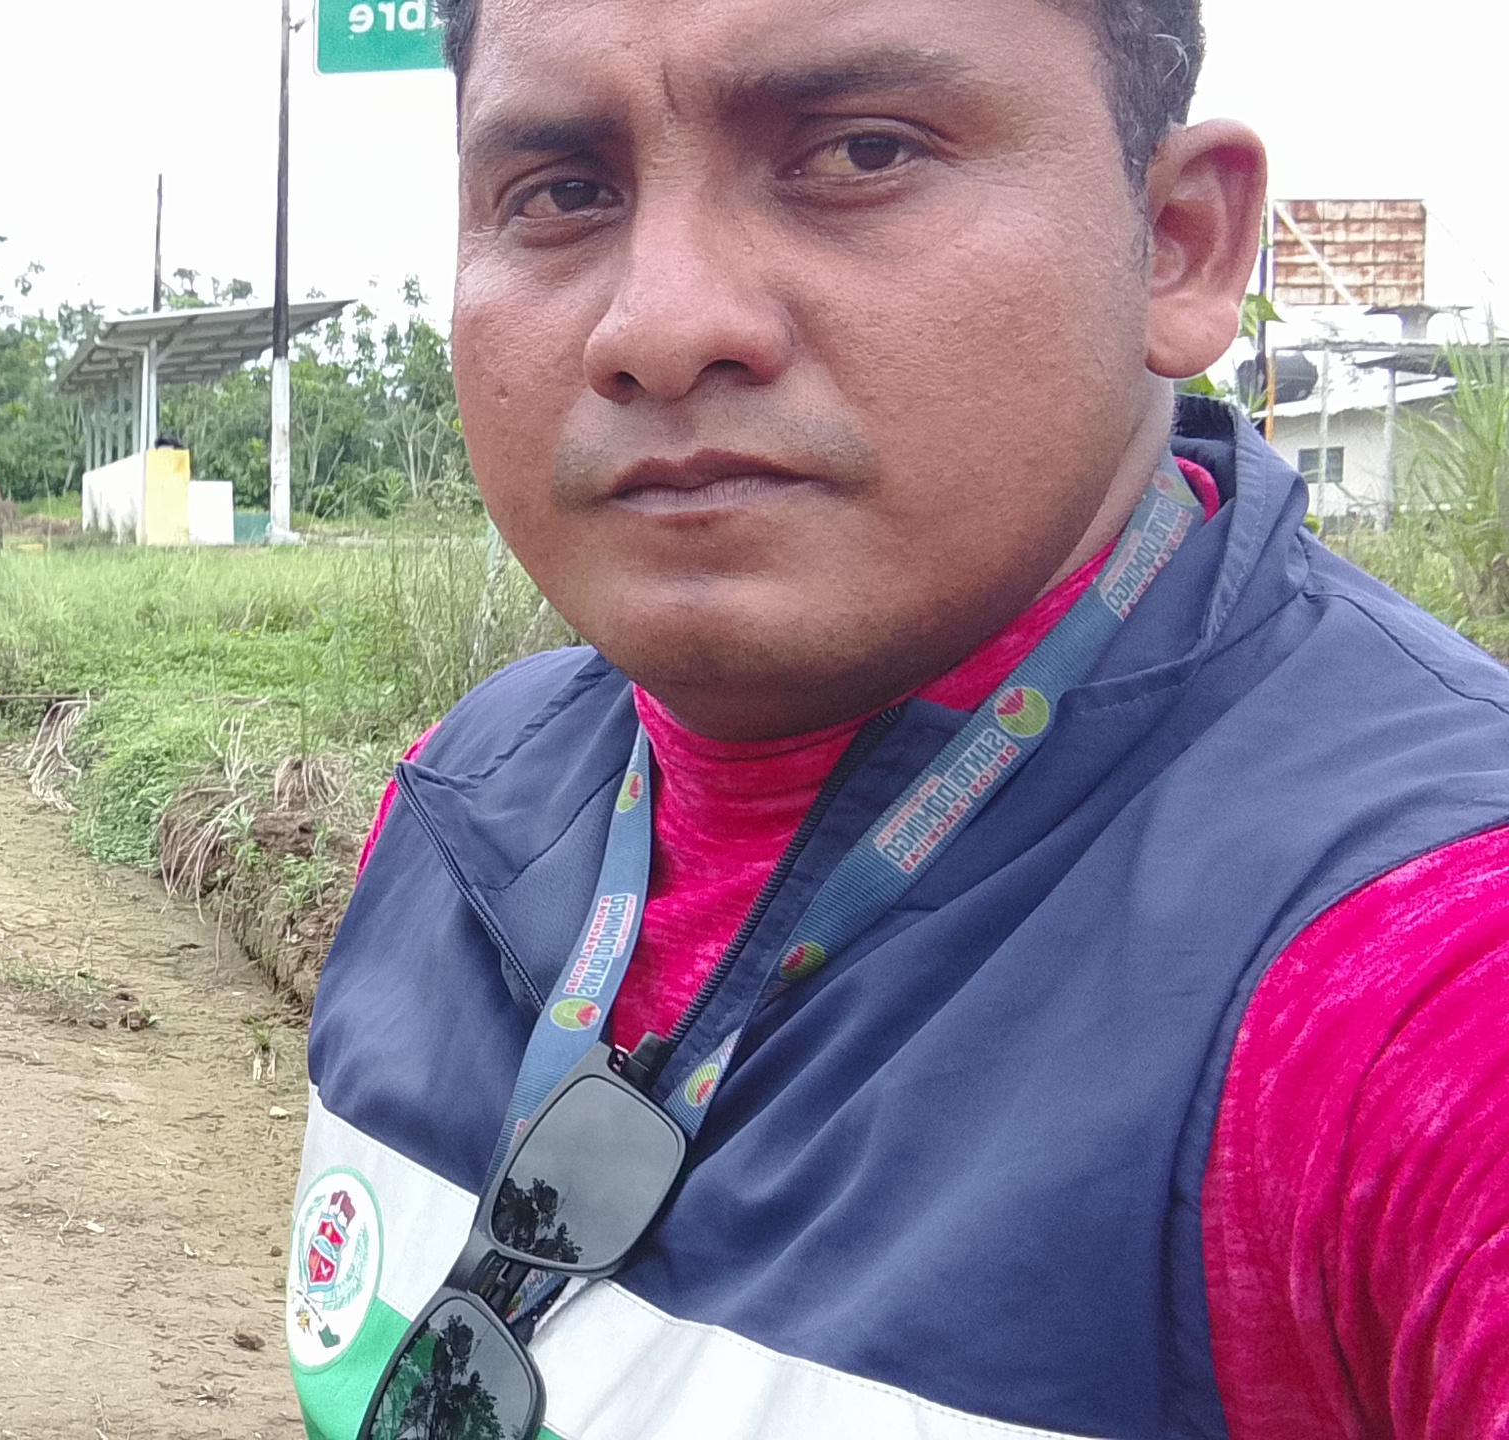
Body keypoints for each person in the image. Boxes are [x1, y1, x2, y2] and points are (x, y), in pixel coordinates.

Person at [289, 2, 1509, 1438]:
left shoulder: (1423, 973)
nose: (659, 329)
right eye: (562, 193)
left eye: (861, 153)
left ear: (1178, 244)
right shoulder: (462, 793)